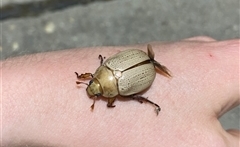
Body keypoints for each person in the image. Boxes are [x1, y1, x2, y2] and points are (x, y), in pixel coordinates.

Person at [1, 36, 239, 147]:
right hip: (124, 66)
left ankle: (146, 101)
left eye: (93, 84)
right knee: (130, 93)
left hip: (133, 72)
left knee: (132, 95)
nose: (93, 88)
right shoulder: (104, 70)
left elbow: (113, 98)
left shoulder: (113, 92)